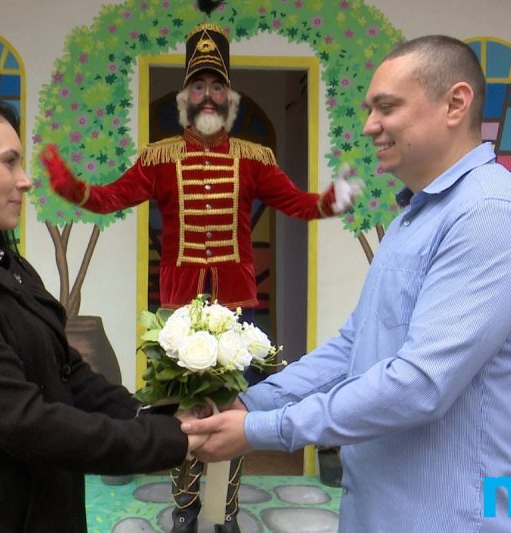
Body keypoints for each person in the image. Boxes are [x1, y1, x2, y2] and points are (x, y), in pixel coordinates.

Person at [181, 34, 511, 533]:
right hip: (378, 508)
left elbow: (420, 384)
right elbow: (353, 346)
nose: (369, 126)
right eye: (369, 110)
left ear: (456, 104)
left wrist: (261, 429)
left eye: (387, 107)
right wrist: (252, 402)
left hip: (455, 517)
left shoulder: (493, 214)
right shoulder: (417, 215)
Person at [40, 21, 360, 533]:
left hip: (236, 309)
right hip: (178, 308)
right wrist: (69, 186)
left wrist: (333, 200)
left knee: (236, 408)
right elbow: (110, 198)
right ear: (184, 98)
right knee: (182, 411)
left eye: (216, 86)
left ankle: (226, 512)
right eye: (198, 86)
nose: (207, 96)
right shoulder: (159, 157)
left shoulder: (254, 158)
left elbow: (296, 204)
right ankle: (186, 508)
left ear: (229, 97)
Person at [0, 90, 205, 533]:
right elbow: (24, 421)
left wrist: (156, 416)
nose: (25, 181)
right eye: (9, 162)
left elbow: (69, 375)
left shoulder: (7, 265)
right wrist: (169, 440)